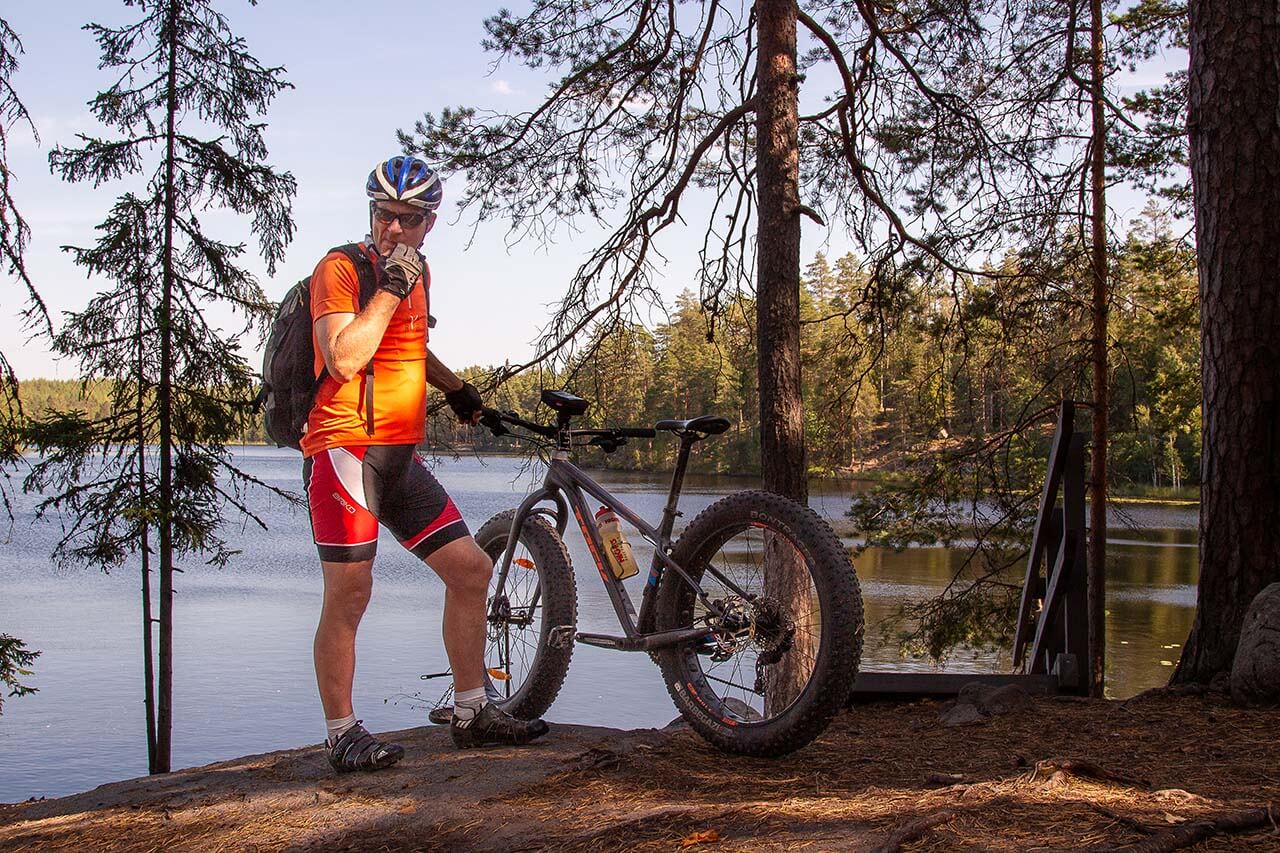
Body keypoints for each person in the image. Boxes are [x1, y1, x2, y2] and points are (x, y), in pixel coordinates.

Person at [303, 155, 549, 773]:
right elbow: (344, 358)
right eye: (384, 215)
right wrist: (389, 287)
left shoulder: (420, 272)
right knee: (350, 592)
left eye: (408, 219)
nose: (393, 229)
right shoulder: (340, 270)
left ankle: (472, 712)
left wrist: (456, 388)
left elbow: (409, 344)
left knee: (471, 569)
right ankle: (342, 734)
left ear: (429, 223)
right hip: (344, 450)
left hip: (398, 455)